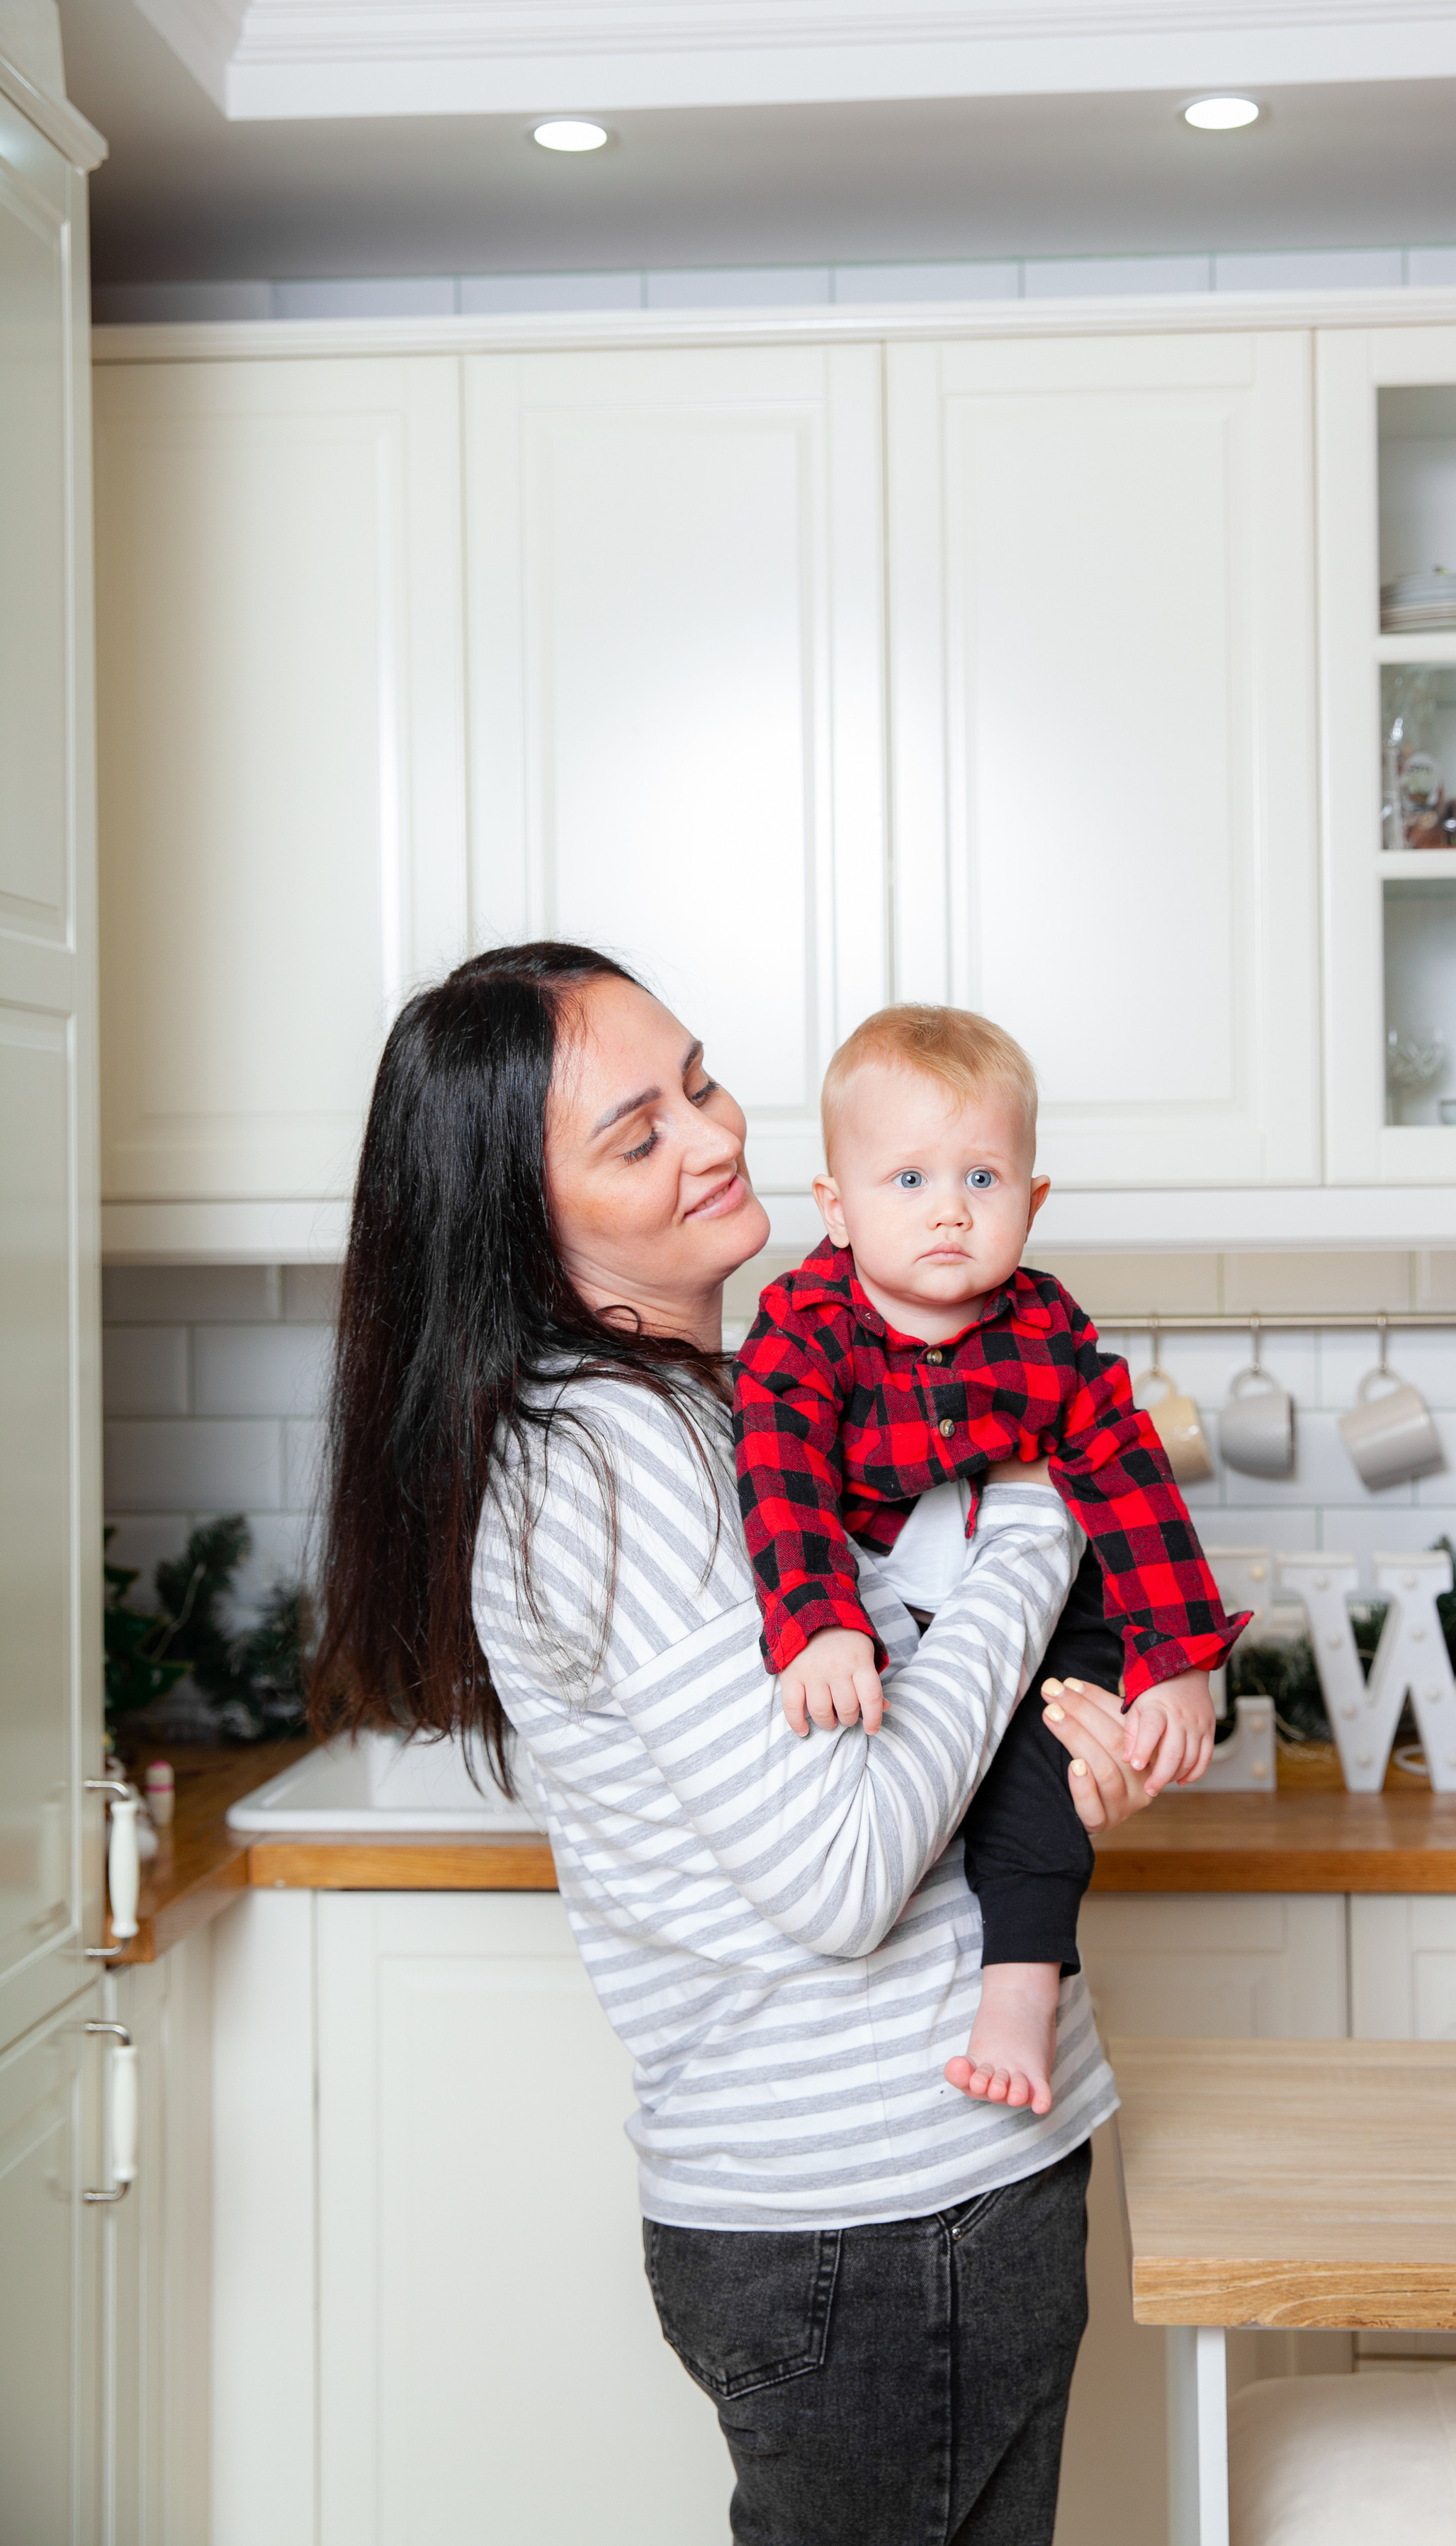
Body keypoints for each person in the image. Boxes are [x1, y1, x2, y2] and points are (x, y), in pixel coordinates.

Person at [309, 941, 1170, 2546]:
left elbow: (906, 1743)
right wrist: (1047, 1515)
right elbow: (839, 1871)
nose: (713, 1137)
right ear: (520, 1217)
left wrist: (1060, 1740)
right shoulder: (617, 1450)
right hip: (877, 2209)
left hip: (902, 2200)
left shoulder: (719, 1405)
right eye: (638, 1135)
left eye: (699, 1082)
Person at [734, 1003, 1248, 2120]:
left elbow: (1130, 1477)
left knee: (1046, 1766)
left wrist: (1177, 1660)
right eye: (908, 1180)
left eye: (983, 1178)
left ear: (1034, 1200)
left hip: (1040, 1612)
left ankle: (1021, 1987)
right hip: (888, 1609)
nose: (950, 1211)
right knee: (894, 1752)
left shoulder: (1047, 1328)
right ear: (836, 1207)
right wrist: (819, 1622)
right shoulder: (802, 1329)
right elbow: (780, 1475)